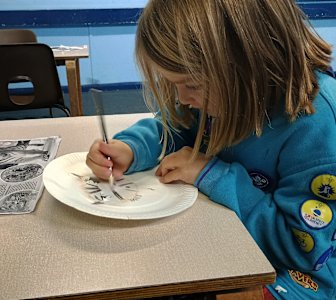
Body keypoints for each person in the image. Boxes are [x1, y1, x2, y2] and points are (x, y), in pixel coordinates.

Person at [86, 0, 336, 299]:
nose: (183, 99)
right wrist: (130, 147)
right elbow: (174, 123)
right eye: (173, 84)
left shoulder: (315, 123)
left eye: (191, 85)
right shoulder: (223, 90)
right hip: (227, 238)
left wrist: (212, 174)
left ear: (250, 62)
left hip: (302, 275)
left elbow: (300, 245)